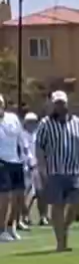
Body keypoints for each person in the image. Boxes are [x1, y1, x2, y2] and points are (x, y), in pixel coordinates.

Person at [33, 91, 79, 253]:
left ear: (67, 103)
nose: (60, 106)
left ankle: (64, 227)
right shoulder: (45, 124)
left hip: (74, 170)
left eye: (62, 103)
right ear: (53, 105)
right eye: (57, 103)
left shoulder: (77, 123)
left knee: (76, 203)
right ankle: (60, 242)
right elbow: (39, 147)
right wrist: (42, 169)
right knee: (57, 206)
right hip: (54, 171)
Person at [0, 93, 24, 241]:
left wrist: (25, 158)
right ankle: (1, 230)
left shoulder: (12, 118)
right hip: (2, 161)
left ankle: (11, 226)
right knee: (5, 197)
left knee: (18, 197)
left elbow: (19, 138)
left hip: (16, 161)